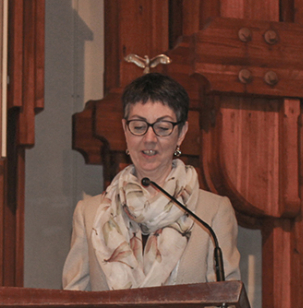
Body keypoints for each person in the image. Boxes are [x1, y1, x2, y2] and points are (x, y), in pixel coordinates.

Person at [62, 72, 240, 291]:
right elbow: (75, 303)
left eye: (163, 128)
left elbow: (226, 303)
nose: (149, 139)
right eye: (138, 127)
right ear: (125, 129)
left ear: (181, 133)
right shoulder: (89, 214)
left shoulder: (211, 214)